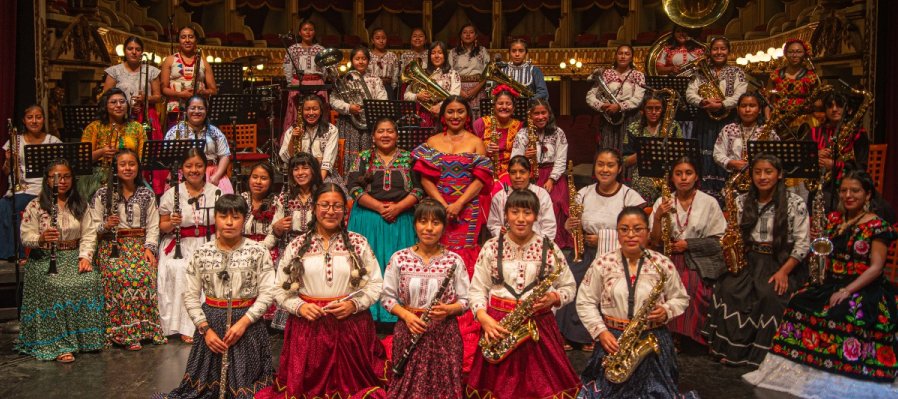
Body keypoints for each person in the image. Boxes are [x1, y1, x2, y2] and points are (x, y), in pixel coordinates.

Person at [743, 170, 898, 397]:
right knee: (798, 302)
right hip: (832, 281)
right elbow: (825, 252)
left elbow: (876, 268)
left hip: (864, 287)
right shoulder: (836, 219)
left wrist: (847, 290)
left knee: (845, 312)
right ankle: (803, 372)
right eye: (844, 190)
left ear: (868, 195)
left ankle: (838, 378)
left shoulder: (877, 226)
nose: (848, 195)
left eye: (855, 191)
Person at [255, 184, 388, 399]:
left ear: (345, 210)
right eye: (324, 205)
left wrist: (354, 304)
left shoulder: (358, 242)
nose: (330, 211)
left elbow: (375, 284)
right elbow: (279, 288)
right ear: (315, 208)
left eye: (337, 206)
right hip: (308, 327)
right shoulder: (297, 245)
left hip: (350, 326)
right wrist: (299, 307)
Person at [154, 194, 275, 399]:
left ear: (244, 219)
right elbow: (190, 296)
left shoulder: (258, 251)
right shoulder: (202, 253)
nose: (229, 222)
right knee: (200, 390)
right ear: (215, 219)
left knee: (248, 390)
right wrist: (205, 330)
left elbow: (268, 292)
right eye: (223, 216)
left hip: (248, 326)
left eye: (236, 217)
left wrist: (244, 322)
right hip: (212, 326)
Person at [466, 189, 580, 398]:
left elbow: (569, 287)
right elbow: (477, 290)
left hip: (539, 326)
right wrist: (484, 319)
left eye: (527, 213)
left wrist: (554, 298)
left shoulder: (549, 248)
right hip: (498, 327)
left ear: (536, 215)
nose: (520, 219)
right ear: (506, 214)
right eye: (514, 212)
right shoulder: (491, 247)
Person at [705, 154, 810, 366]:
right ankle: (732, 350)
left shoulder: (795, 202)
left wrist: (784, 272)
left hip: (780, 261)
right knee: (728, 289)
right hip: (749, 259)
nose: (762, 177)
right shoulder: (742, 200)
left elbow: (803, 244)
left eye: (768, 172)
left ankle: (761, 355)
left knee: (770, 295)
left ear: (779, 175)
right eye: (757, 172)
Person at [577, 206, 693, 398]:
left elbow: (681, 298)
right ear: (617, 233)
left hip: (652, 336)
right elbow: (585, 301)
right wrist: (601, 332)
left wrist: (667, 310)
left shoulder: (662, 263)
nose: (631, 235)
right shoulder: (602, 263)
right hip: (613, 341)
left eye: (638, 229)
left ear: (648, 232)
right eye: (624, 229)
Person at [412, 96, 492, 371]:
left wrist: (459, 204)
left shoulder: (476, 142)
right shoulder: (433, 143)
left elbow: (481, 179)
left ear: (467, 115)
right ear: (443, 116)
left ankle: (463, 315)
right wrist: (444, 205)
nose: (455, 116)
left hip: (467, 211)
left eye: (460, 111)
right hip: (437, 209)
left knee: (464, 258)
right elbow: (425, 178)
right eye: (450, 112)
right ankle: (434, 310)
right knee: (437, 255)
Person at [557, 148, 646, 351]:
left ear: (619, 169)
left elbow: (638, 231)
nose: (604, 169)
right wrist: (570, 226)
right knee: (570, 276)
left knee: (601, 283)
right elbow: (572, 225)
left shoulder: (629, 196)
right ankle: (568, 333)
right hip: (587, 252)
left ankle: (591, 334)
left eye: (610, 165)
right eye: (600, 164)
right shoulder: (584, 193)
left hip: (617, 255)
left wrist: (604, 238)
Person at [15, 160, 102, 362]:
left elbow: (89, 234)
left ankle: (86, 340)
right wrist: (41, 238)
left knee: (90, 280)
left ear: (72, 179)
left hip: (73, 255)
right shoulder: (35, 205)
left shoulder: (80, 204)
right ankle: (58, 343)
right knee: (56, 285)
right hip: (45, 258)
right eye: (56, 177)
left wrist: (85, 257)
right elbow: (25, 236)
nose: (61, 181)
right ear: (47, 180)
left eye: (66, 177)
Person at [382, 198, 469, 399]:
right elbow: (387, 297)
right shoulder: (399, 258)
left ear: (444, 227)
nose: (429, 228)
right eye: (423, 221)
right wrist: (406, 315)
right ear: (415, 225)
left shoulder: (454, 260)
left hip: (444, 335)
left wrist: (449, 309)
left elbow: (466, 299)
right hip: (408, 330)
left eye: (435, 223)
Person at [81, 149, 165, 350]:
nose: (128, 168)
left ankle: (145, 330)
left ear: (138, 167)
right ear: (115, 168)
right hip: (112, 246)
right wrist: (106, 226)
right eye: (123, 164)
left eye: (132, 164)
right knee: (121, 275)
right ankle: (122, 333)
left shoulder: (146, 194)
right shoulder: (103, 194)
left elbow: (153, 226)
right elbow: (92, 227)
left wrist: (149, 249)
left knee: (145, 274)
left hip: (138, 246)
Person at [347, 118, 423, 324]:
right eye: (381, 131)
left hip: (401, 218)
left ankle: (397, 314)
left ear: (397, 135)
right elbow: (353, 187)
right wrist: (379, 207)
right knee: (368, 265)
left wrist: (398, 207)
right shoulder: (363, 158)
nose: (385, 135)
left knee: (396, 265)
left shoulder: (410, 158)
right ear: (373, 136)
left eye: (390, 131)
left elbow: (418, 189)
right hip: (368, 218)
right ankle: (367, 313)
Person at [649, 157, 726, 345]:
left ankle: (688, 337)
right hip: (666, 256)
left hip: (697, 258)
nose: (683, 178)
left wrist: (688, 244)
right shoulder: (663, 200)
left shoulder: (709, 202)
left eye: (688, 173)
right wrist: (658, 216)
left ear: (696, 176)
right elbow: (654, 240)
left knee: (691, 285)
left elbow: (718, 241)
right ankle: (665, 335)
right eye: (678, 173)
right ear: (672, 178)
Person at [157, 148, 224, 343]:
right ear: (182, 169)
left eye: (198, 166)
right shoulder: (171, 194)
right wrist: (172, 223)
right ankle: (185, 326)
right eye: (188, 166)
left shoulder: (216, 192)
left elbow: (223, 222)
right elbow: (162, 226)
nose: (193, 170)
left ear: (206, 168)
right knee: (180, 270)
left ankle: (210, 324)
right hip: (180, 243)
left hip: (209, 241)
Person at [686, 36, 747, 203]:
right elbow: (690, 93)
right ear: (709, 52)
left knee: (725, 152)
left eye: (723, 49)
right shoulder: (700, 72)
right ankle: (703, 193)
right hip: (705, 119)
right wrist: (703, 101)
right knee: (703, 153)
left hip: (727, 119)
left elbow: (740, 94)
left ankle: (726, 194)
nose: (719, 52)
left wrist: (722, 105)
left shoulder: (737, 72)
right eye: (715, 49)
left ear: (728, 51)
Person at [103, 36, 165, 194]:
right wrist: (127, 105)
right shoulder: (114, 71)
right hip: (122, 116)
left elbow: (159, 97)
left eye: (138, 49)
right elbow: (106, 96)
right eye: (130, 49)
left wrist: (145, 99)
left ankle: (153, 188)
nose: (134, 52)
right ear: (125, 51)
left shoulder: (151, 71)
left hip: (147, 116)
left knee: (150, 152)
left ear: (142, 52)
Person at [1, 106, 61, 262]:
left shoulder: (52, 141)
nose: (34, 121)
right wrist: (8, 160)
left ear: (44, 119)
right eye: (30, 117)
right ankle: (10, 253)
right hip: (20, 188)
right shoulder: (15, 141)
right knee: (3, 205)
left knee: (20, 203)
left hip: (43, 188)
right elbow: (7, 172)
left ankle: (24, 254)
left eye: (38, 117)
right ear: (24, 120)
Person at [511, 98, 572, 249]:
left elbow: (561, 159)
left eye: (543, 113)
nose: (540, 117)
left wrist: (552, 179)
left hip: (553, 175)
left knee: (556, 200)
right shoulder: (523, 134)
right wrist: (525, 156)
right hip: (530, 175)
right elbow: (514, 160)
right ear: (530, 116)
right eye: (536, 113)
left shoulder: (559, 133)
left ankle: (557, 244)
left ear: (549, 113)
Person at [79, 88, 147, 200]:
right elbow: (83, 158)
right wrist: (101, 152)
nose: (119, 105)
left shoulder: (137, 127)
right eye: (113, 102)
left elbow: (143, 157)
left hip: (129, 174)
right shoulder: (94, 127)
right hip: (100, 175)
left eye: (122, 101)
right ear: (105, 106)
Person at [330, 45, 388, 174]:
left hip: (369, 123)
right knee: (351, 154)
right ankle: (349, 178)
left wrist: (370, 108)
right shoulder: (345, 79)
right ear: (352, 61)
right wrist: (348, 107)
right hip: (350, 123)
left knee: (369, 152)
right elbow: (333, 100)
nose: (360, 61)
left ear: (368, 61)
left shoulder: (375, 79)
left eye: (363, 58)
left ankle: (369, 178)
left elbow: (382, 99)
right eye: (357, 59)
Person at [810, 91, 870, 212]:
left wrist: (835, 165)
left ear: (847, 109)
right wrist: (815, 155)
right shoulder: (814, 132)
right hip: (819, 185)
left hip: (847, 185)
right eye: (830, 106)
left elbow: (861, 167)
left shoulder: (858, 133)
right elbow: (803, 161)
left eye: (839, 105)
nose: (834, 109)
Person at [713, 92, 780, 198]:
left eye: (752, 106)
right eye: (743, 106)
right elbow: (717, 153)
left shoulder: (768, 131)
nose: (747, 110)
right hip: (734, 182)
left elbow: (777, 156)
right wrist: (731, 163)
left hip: (762, 183)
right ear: (738, 109)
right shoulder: (728, 129)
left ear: (759, 110)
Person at [164, 95, 233, 194]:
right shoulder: (175, 132)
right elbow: (166, 156)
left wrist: (216, 176)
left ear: (206, 111)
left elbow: (225, 155)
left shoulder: (214, 131)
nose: (196, 111)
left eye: (200, 108)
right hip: (183, 173)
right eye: (192, 108)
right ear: (186, 111)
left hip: (212, 173)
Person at [622, 92, 684, 203]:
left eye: (658, 108)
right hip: (643, 176)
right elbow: (625, 161)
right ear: (643, 110)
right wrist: (643, 152)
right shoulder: (633, 128)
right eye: (649, 108)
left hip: (668, 175)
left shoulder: (673, 126)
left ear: (663, 109)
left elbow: (682, 155)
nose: (654, 112)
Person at [587, 45, 646, 152]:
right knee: (608, 150)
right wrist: (601, 106)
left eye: (627, 54)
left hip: (631, 119)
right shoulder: (606, 74)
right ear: (615, 56)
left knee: (628, 151)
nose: (623, 56)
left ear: (632, 58)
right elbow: (590, 96)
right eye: (620, 53)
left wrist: (619, 106)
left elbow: (638, 98)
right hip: (609, 119)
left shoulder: (638, 75)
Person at [278, 93, 342, 186]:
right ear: (301, 112)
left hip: (323, 174)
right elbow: (288, 158)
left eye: (315, 109)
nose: (311, 113)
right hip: (299, 175)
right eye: (307, 109)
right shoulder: (293, 130)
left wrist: (318, 184)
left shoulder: (331, 130)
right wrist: (293, 138)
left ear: (321, 111)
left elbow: (327, 162)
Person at [486, 156, 556, 239]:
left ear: (530, 174)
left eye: (522, 172)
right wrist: (500, 232)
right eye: (513, 172)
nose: (518, 176)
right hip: (506, 245)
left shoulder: (541, 194)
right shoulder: (500, 196)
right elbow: (493, 224)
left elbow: (549, 226)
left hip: (536, 246)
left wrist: (539, 244)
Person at [160, 26, 217, 127]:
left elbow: (213, 90)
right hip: (176, 110)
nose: (187, 40)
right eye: (183, 37)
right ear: (178, 40)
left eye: (190, 37)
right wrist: (180, 94)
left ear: (196, 40)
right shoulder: (169, 60)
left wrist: (202, 92)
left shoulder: (204, 62)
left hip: (198, 110)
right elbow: (163, 89)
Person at [765, 38, 820, 134]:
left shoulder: (811, 76)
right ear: (786, 54)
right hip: (779, 120)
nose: (794, 55)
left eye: (799, 52)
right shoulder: (775, 75)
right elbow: (767, 100)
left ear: (805, 54)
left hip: (804, 121)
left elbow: (818, 102)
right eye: (791, 52)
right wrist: (769, 120)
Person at [472, 86, 523, 185]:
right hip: (484, 173)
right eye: (500, 103)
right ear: (494, 106)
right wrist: (484, 150)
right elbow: (469, 150)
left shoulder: (519, 126)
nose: (504, 107)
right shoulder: (481, 123)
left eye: (508, 104)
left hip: (512, 176)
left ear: (514, 108)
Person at [404, 41, 461, 127]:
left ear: (445, 56)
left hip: (446, 114)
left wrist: (440, 106)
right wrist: (417, 96)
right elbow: (406, 95)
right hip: (425, 116)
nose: (436, 56)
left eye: (440, 53)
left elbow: (455, 95)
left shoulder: (453, 74)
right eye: (433, 53)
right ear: (429, 56)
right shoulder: (422, 73)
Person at [282, 20, 327, 132]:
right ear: (300, 32)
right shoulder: (293, 49)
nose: (308, 32)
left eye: (311, 30)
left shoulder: (320, 49)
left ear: (314, 32)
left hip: (317, 84)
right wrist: (291, 84)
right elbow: (288, 68)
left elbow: (325, 70)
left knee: (318, 111)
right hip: (298, 84)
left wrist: (320, 81)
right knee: (297, 113)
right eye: (305, 30)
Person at [449, 24, 490, 118]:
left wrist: (475, 90)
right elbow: (449, 74)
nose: (468, 35)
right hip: (459, 89)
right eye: (465, 32)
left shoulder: (482, 51)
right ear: (460, 35)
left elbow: (487, 73)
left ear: (475, 36)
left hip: (478, 89)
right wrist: (460, 91)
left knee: (479, 119)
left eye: (471, 32)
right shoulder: (453, 52)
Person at [368, 28, 399, 100]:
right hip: (371, 88)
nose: (381, 41)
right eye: (377, 38)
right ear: (372, 40)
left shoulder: (392, 56)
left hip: (388, 88)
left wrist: (391, 88)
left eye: (383, 38)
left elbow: (395, 75)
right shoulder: (368, 55)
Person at [398, 27, 429, 99]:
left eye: (421, 36)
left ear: (425, 40)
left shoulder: (430, 54)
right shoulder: (404, 55)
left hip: (426, 87)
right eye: (414, 36)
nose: (417, 38)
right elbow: (402, 75)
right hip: (408, 88)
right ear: (410, 39)